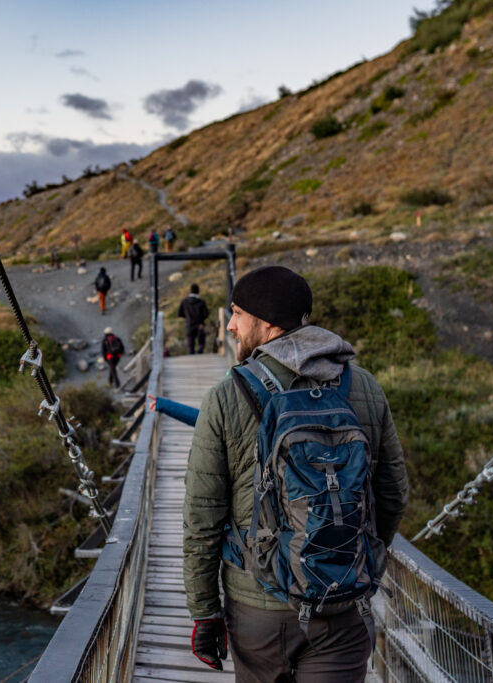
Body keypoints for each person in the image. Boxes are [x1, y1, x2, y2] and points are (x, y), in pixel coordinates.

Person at [183, 265, 408, 682]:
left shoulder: (226, 396)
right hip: (343, 604)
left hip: (259, 608)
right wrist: (358, 562)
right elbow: (393, 494)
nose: (230, 326)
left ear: (266, 323)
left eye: (236, 314)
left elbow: (202, 516)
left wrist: (204, 613)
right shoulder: (365, 388)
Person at [177, 283, 209, 354]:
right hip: (200, 324)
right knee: (201, 342)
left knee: (191, 343)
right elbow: (206, 314)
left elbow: (179, 313)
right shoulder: (201, 302)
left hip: (189, 324)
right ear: (198, 291)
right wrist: (201, 319)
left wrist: (187, 317)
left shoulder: (184, 301)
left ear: (190, 291)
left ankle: (192, 355)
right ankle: (200, 354)